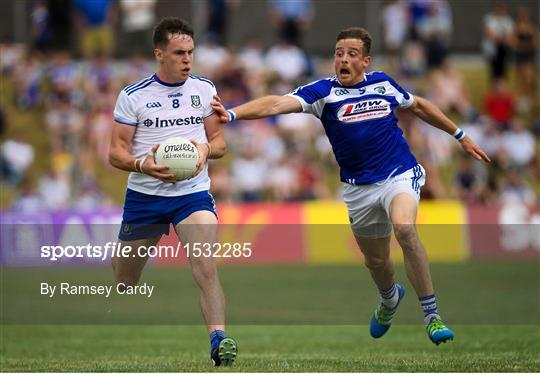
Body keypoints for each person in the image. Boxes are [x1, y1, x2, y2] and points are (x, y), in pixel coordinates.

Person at [212, 27, 491, 345]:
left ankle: (433, 316)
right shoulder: (323, 92)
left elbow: (419, 105)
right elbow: (276, 104)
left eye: (351, 54)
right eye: (338, 53)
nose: (343, 59)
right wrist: (232, 114)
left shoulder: (383, 83)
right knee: (376, 261)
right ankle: (389, 300)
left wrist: (460, 135)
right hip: (359, 189)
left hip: (399, 174)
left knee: (405, 228)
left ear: (366, 61)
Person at [108, 17, 237, 366]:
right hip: (145, 196)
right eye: (179, 53)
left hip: (191, 194)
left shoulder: (204, 89)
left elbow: (219, 142)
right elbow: (115, 152)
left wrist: (205, 151)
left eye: (191, 52)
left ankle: (218, 340)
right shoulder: (133, 96)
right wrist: (142, 166)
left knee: (205, 263)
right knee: (125, 282)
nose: (187, 59)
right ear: (159, 53)